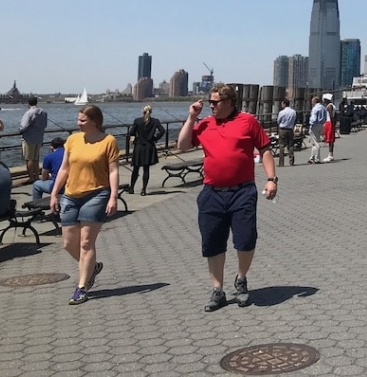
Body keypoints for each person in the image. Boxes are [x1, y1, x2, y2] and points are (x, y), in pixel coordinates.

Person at [178, 84, 277, 312]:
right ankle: (218, 289)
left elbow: (265, 150)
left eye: (216, 102)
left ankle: (241, 278)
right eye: (210, 102)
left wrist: (272, 179)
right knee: (212, 242)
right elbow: (182, 145)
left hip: (242, 191)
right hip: (212, 193)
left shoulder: (248, 122)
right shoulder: (204, 124)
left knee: (246, 239)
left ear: (230, 103)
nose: (211, 106)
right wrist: (192, 117)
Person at [49, 105, 120, 305]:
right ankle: (93, 267)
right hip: (71, 195)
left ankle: (81, 287)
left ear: (94, 121)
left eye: (82, 120)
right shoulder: (72, 140)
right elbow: (64, 168)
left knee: (86, 242)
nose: (78, 123)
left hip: (97, 194)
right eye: (78, 119)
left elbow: (113, 171)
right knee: (68, 244)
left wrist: (113, 196)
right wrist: (54, 193)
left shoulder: (108, 141)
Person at [127, 105, 165, 195]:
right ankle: (143, 190)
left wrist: (135, 139)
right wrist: (155, 138)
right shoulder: (155, 121)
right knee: (146, 169)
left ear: (142, 111)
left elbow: (131, 132)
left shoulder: (137, 121)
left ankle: (131, 188)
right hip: (149, 147)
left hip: (139, 147)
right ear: (150, 112)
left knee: (136, 169)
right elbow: (162, 131)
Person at [19, 96, 49, 183]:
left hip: (29, 138)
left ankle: (31, 178)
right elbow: (45, 125)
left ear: (28, 103)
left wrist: (20, 130)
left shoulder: (29, 113)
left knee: (29, 158)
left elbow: (24, 126)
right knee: (36, 158)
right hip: (39, 138)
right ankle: (36, 176)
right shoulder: (44, 112)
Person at [31, 137, 66, 202]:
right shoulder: (70, 154)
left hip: (58, 187)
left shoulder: (49, 157)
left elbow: (44, 177)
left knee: (36, 184)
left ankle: (36, 206)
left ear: (51, 147)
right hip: (70, 185)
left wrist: (49, 176)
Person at [275, 99, 298, 166]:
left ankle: (281, 163)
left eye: (282, 104)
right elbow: (294, 120)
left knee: (282, 146)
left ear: (284, 104)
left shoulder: (281, 112)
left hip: (283, 129)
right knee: (290, 145)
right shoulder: (293, 112)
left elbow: (278, 121)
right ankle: (291, 161)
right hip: (290, 129)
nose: (281, 105)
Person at [307, 95, 327, 164]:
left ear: (314, 101)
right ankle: (312, 157)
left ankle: (317, 158)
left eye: (312, 101)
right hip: (321, 125)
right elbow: (325, 117)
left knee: (316, 142)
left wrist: (310, 124)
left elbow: (313, 118)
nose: (311, 103)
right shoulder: (323, 108)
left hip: (315, 125)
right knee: (314, 141)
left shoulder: (315, 108)